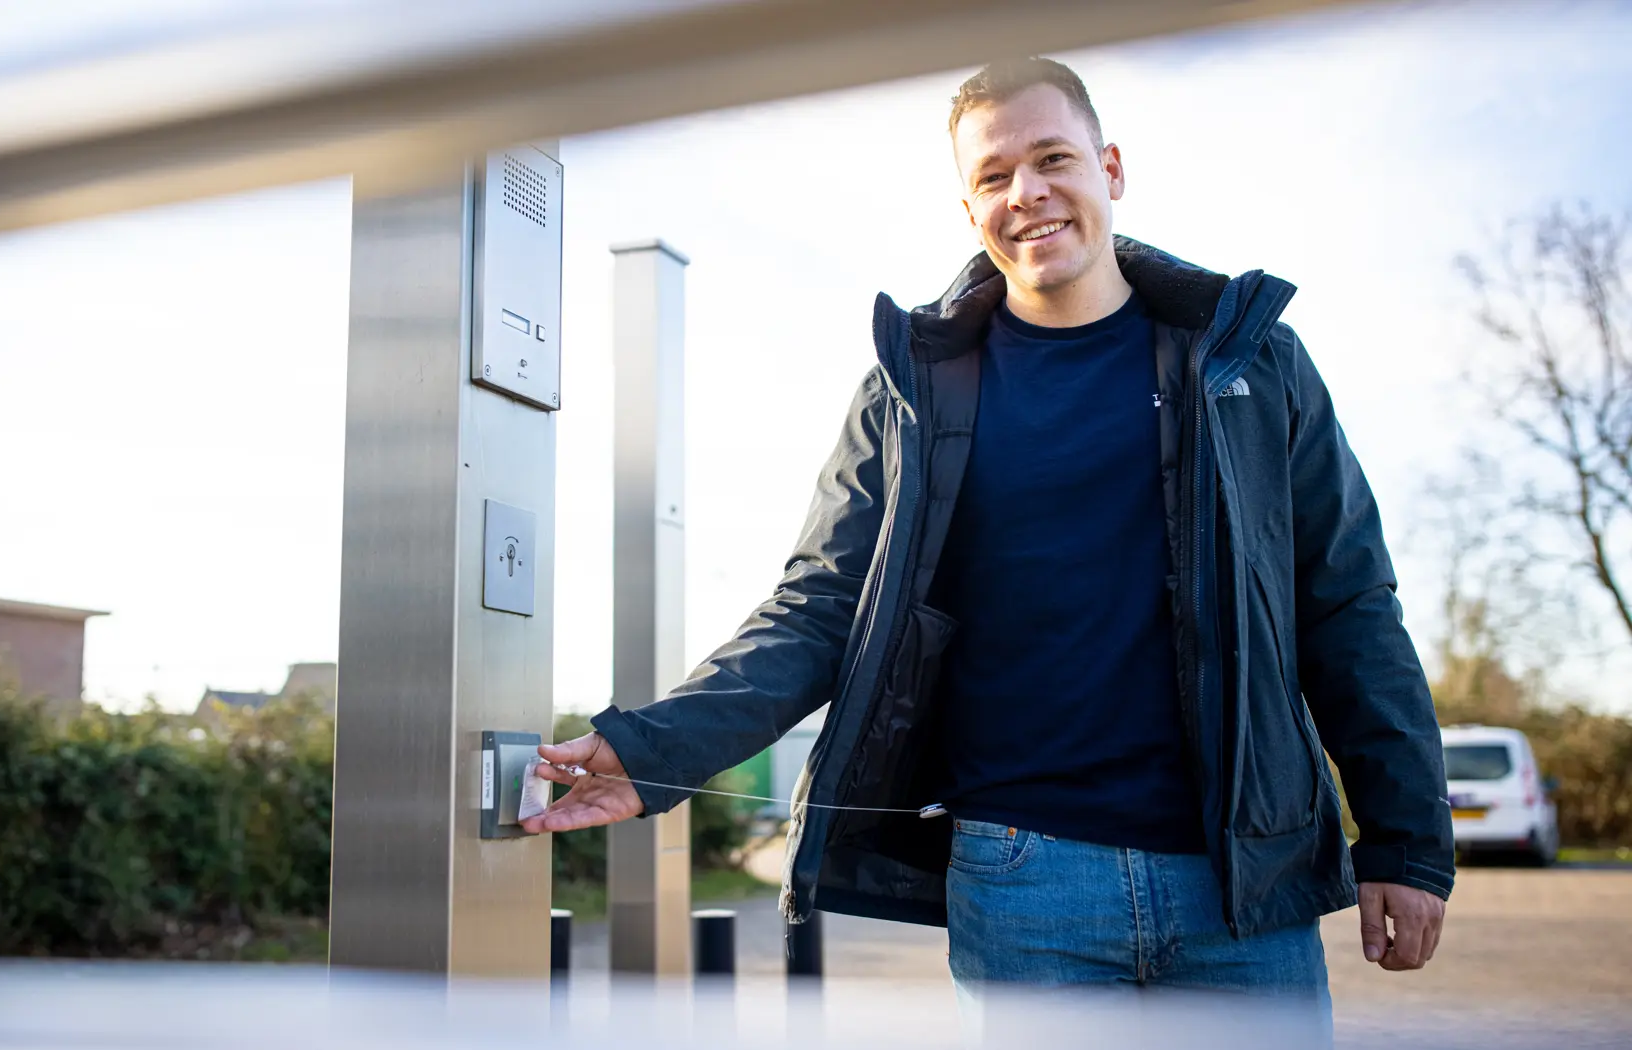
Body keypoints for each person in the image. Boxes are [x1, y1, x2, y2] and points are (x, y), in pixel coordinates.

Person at [524, 56, 1452, 1011]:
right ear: (970, 210)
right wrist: (654, 749)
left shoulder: (1251, 363)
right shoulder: (914, 390)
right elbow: (820, 608)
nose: (1028, 193)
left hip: (1241, 891)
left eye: (1054, 158)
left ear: (1112, 169)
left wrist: (1406, 840)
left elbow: (1347, 605)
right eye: (994, 177)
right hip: (1024, 886)